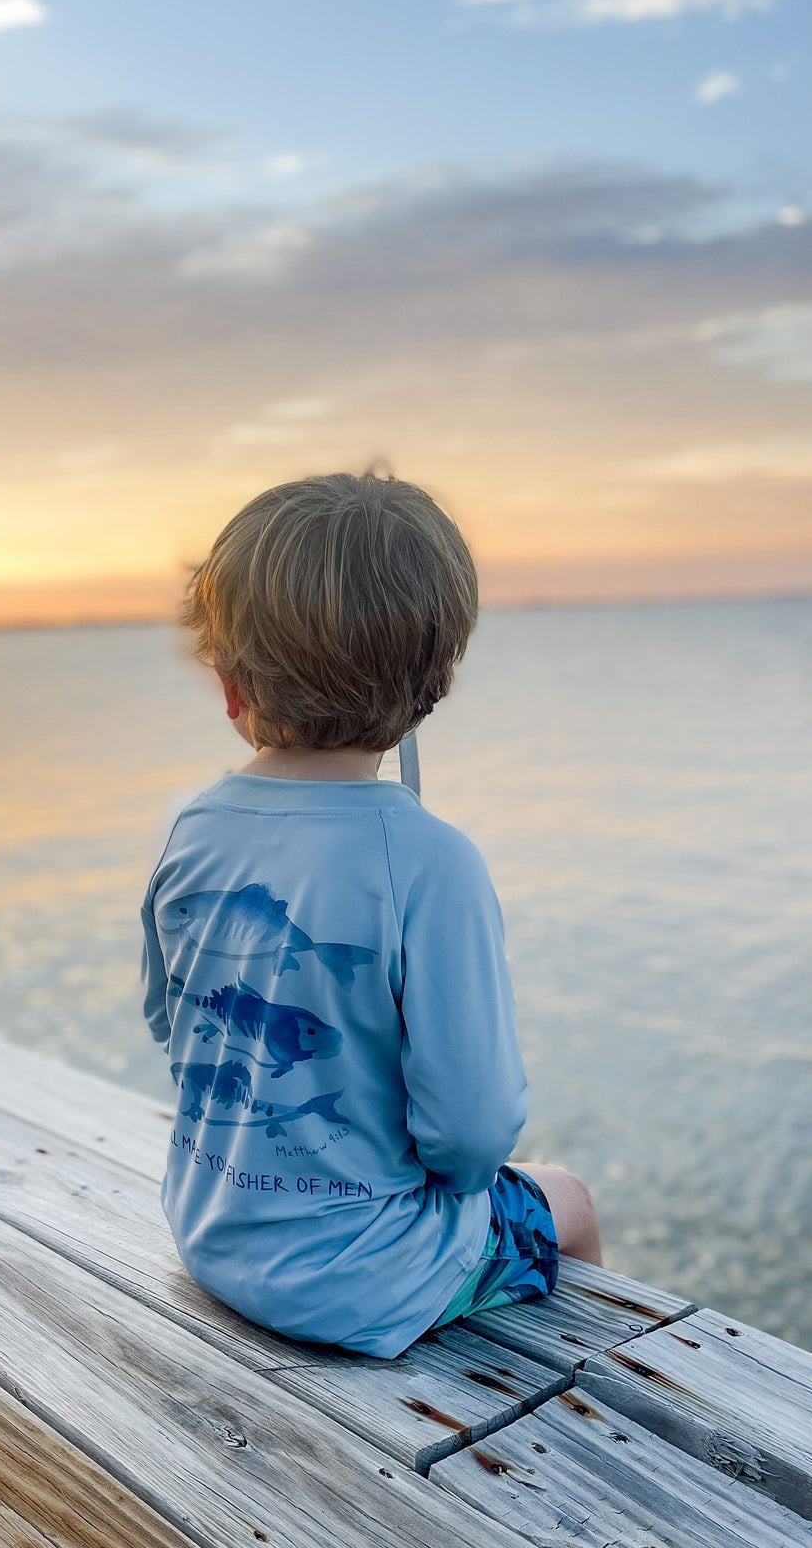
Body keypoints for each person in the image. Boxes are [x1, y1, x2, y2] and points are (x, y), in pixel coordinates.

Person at [140, 471, 601, 1359]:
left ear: (231, 686)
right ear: (434, 682)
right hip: (365, 1281)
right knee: (569, 1198)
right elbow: (469, 1132)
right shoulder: (433, 860)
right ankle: (578, 1405)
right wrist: (447, 1180)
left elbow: (177, 1026)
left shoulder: (191, 827)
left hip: (212, 1235)